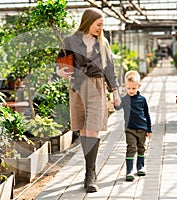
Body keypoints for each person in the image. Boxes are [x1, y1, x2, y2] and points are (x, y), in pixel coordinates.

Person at [56, 8, 121, 192]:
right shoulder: (70, 40)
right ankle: (89, 170)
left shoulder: (103, 43)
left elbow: (109, 69)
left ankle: (89, 175)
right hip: (78, 87)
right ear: (88, 22)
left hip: (97, 87)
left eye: (102, 25)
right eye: (98, 24)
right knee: (84, 130)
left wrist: (115, 92)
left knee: (92, 129)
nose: (101, 28)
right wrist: (61, 72)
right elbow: (61, 66)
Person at [114, 70, 152, 181]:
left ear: (138, 86)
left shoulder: (142, 100)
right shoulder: (125, 99)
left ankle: (140, 167)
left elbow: (147, 114)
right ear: (125, 86)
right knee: (131, 148)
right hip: (130, 129)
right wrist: (115, 103)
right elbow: (118, 108)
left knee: (141, 148)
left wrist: (149, 129)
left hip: (142, 129)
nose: (131, 91)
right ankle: (129, 171)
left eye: (133, 88)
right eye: (128, 88)